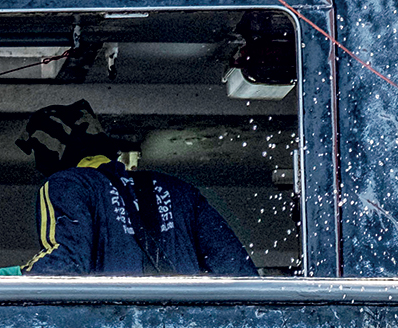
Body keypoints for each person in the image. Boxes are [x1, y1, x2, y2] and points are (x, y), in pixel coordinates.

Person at [13, 101, 257, 276]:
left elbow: (64, 267)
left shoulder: (67, 184)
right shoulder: (181, 191)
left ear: (49, 156)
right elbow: (238, 271)